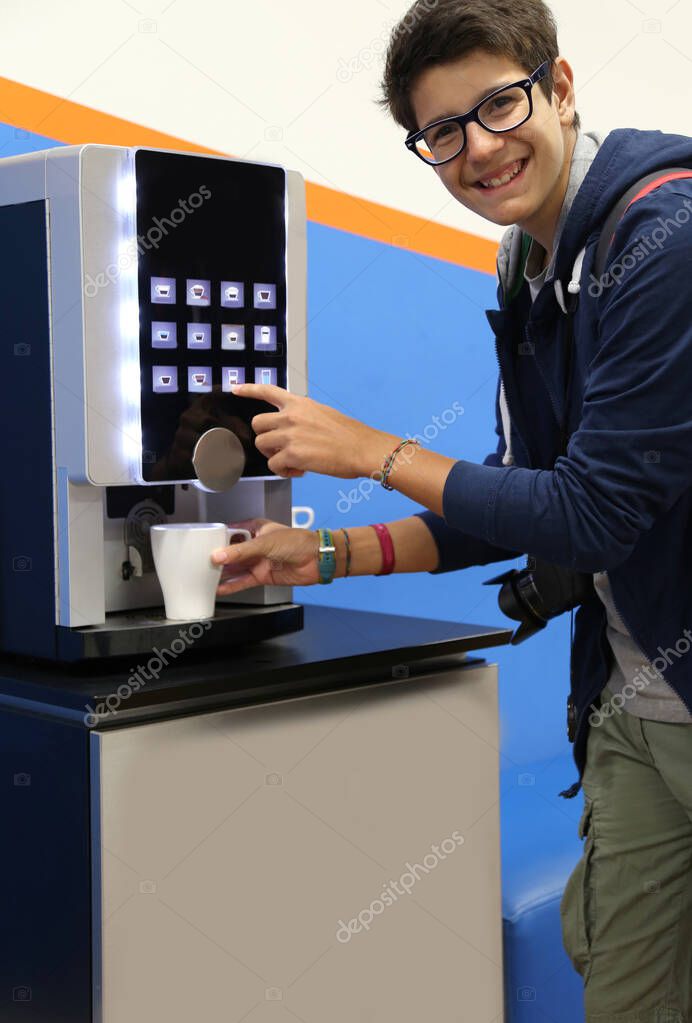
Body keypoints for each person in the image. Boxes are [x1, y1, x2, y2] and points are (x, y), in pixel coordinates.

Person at [210, 1, 692, 1017]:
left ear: (558, 88)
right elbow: (521, 490)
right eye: (441, 131)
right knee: (627, 991)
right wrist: (328, 553)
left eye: (498, 103)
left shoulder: (666, 234)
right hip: (635, 703)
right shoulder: (530, 261)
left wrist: (373, 453)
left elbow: (589, 517)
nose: (477, 146)